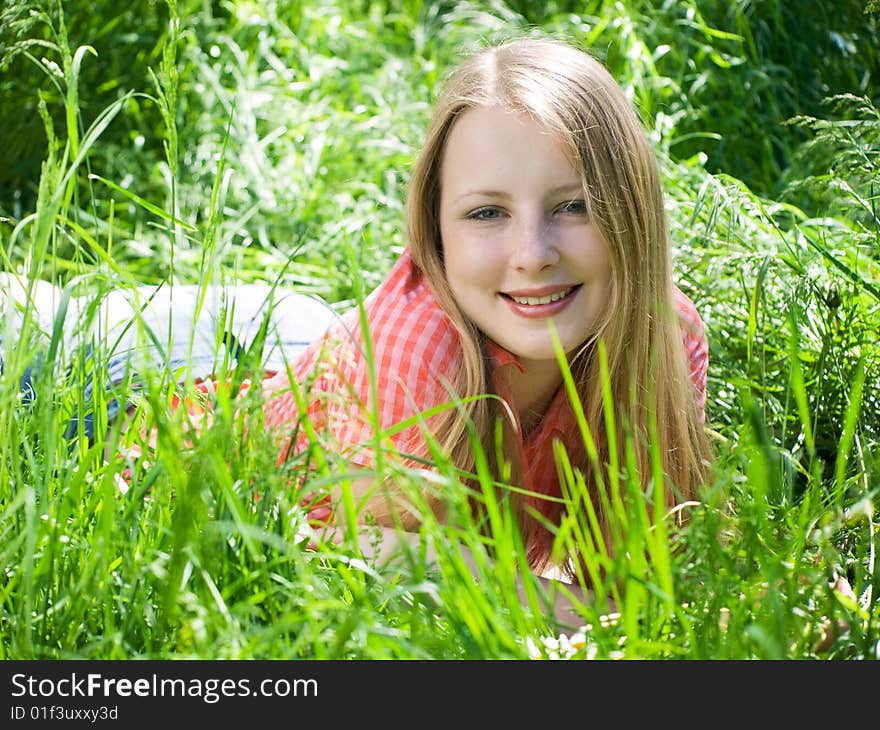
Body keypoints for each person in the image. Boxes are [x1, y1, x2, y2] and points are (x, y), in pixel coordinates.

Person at [256, 36, 714, 614]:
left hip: (303, 345)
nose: (533, 255)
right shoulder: (418, 347)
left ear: (633, 211)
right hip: (167, 380)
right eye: (487, 213)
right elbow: (366, 550)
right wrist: (593, 616)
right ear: (435, 234)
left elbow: (657, 556)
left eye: (575, 206)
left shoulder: (664, 334)